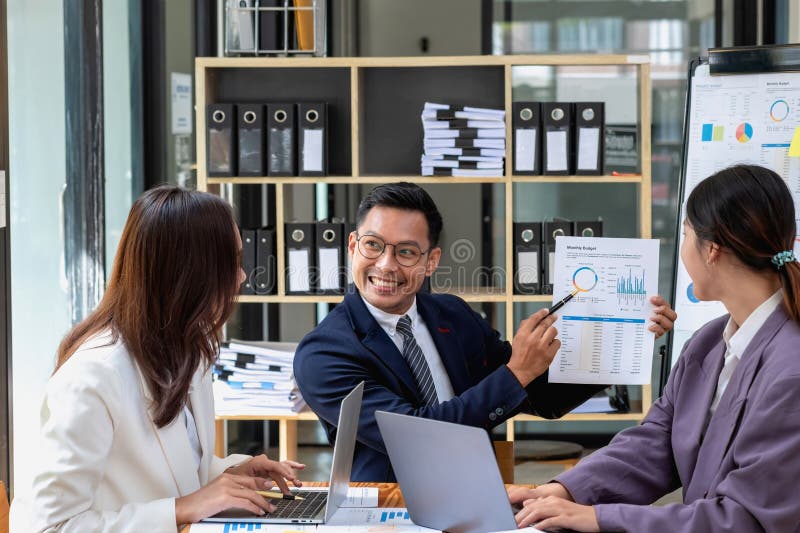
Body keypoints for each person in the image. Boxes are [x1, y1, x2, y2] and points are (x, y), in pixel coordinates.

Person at [293, 182, 676, 481]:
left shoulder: (451, 315)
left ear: (431, 262)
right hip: (391, 508)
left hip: (481, 490)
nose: (387, 265)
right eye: (373, 246)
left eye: (407, 252)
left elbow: (539, 397)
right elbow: (420, 435)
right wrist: (519, 371)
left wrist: (626, 341)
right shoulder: (324, 353)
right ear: (352, 246)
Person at [510, 164, 800, 532]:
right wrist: (561, 491)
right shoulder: (709, 343)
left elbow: (744, 519)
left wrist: (599, 517)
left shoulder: (791, 371)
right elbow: (655, 443)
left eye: (685, 234)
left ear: (711, 250)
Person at [11, 186, 305, 532]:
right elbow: (47, 526)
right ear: (189, 276)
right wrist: (182, 509)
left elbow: (164, 463)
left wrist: (226, 473)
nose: (241, 278)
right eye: (233, 264)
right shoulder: (91, 378)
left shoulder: (186, 350)